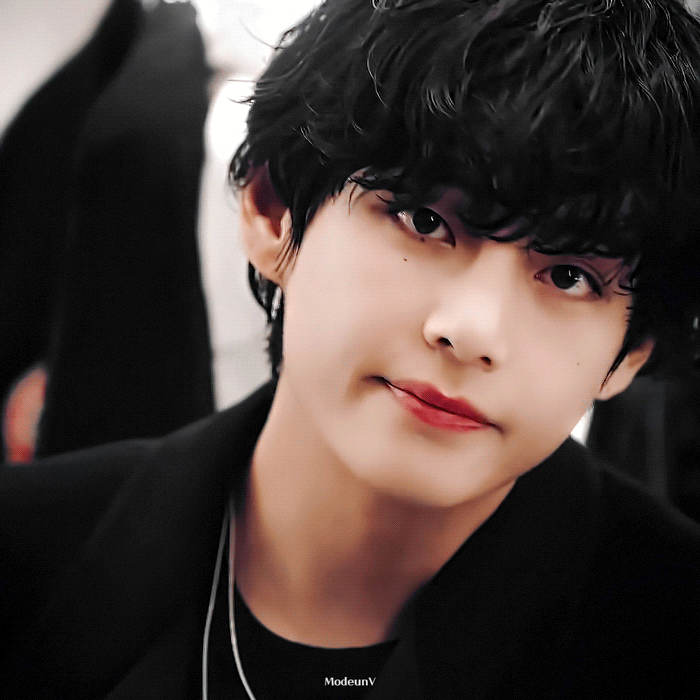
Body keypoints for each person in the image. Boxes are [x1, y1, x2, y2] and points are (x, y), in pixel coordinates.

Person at [2, 0, 700, 697]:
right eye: (424, 221)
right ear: (274, 211)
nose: (473, 331)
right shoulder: (28, 553)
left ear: (632, 350)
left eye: (571, 276)